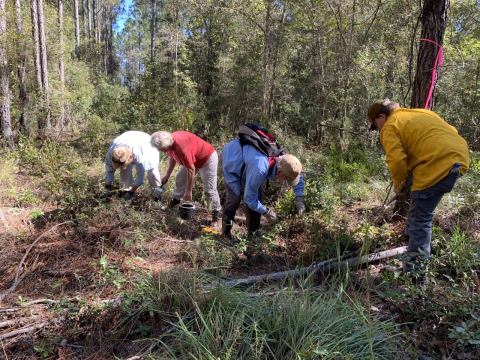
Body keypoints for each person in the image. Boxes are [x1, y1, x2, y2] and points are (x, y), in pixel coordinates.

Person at [368, 99, 469, 275]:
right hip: (459, 160)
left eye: (376, 124)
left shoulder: (390, 126)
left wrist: (399, 186)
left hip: (436, 165)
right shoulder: (420, 113)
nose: (378, 129)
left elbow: (396, 160)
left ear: (382, 116)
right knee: (418, 214)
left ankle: (415, 276)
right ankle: (412, 247)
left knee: (420, 221)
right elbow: (451, 131)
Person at [221, 137, 306, 238]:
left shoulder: (286, 160)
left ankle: (253, 235)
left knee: (258, 197)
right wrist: (267, 212)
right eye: (286, 178)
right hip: (233, 158)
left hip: (251, 160)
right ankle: (226, 235)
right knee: (234, 199)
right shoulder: (260, 169)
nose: (286, 181)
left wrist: (299, 198)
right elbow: (249, 199)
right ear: (279, 171)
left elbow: (296, 175)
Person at [150, 131, 222, 227]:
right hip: (193, 158)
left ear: (167, 145)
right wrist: (167, 174)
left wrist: (189, 191)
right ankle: (176, 201)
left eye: (161, 149)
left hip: (207, 159)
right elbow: (172, 157)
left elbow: (191, 169)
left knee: (209, 189)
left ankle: (216, 216)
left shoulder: (182, 148)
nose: (160, 150)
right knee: (179, 178)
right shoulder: (168, 142)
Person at [105, 131, 163, 201]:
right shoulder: (112, 153)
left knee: (153, 173)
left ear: (130, 158)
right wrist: (108, 187)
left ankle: (157, 196)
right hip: (128, 138)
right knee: (124, 170)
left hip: (146, 144)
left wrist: (131, 192)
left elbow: (140, 176)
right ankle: (125, 191)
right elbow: (109, 171)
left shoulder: (138, 155)